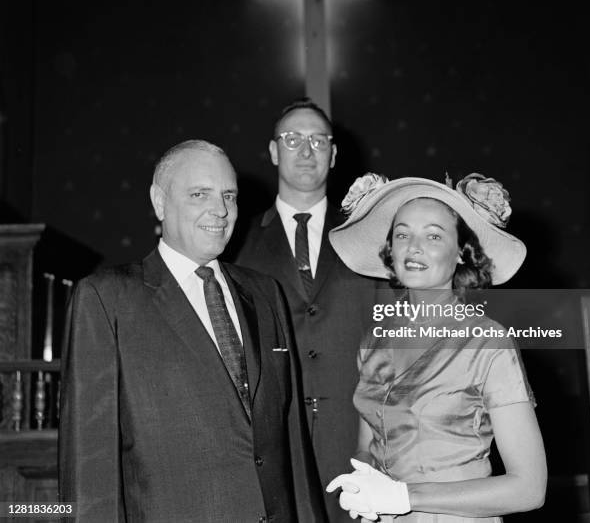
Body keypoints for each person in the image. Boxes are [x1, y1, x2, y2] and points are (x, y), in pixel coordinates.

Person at [59, 140, 326, 523]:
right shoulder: (106, 299)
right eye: (199, 194)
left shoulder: (266, 293)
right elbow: (89, 465)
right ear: (159, 201)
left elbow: (292, 444)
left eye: (229, 196)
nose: (220, 210)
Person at [326, 173, 547, 522]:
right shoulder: (374, 340)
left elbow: (529, 489)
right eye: (402, 234)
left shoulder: (488, 341)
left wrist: (403, 495)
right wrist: (363, 483)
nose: (414, 246)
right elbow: (368, 445)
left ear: (461, 252)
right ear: (390, 250)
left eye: (433, 235)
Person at [236, 99, 379, 521]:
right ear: (274, 151)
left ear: (334, 155)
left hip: (357, 439)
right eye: (292, 139)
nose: (305, 150)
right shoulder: (237, 240)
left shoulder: (367, 236)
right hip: (273, 441)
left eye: (318, 140)